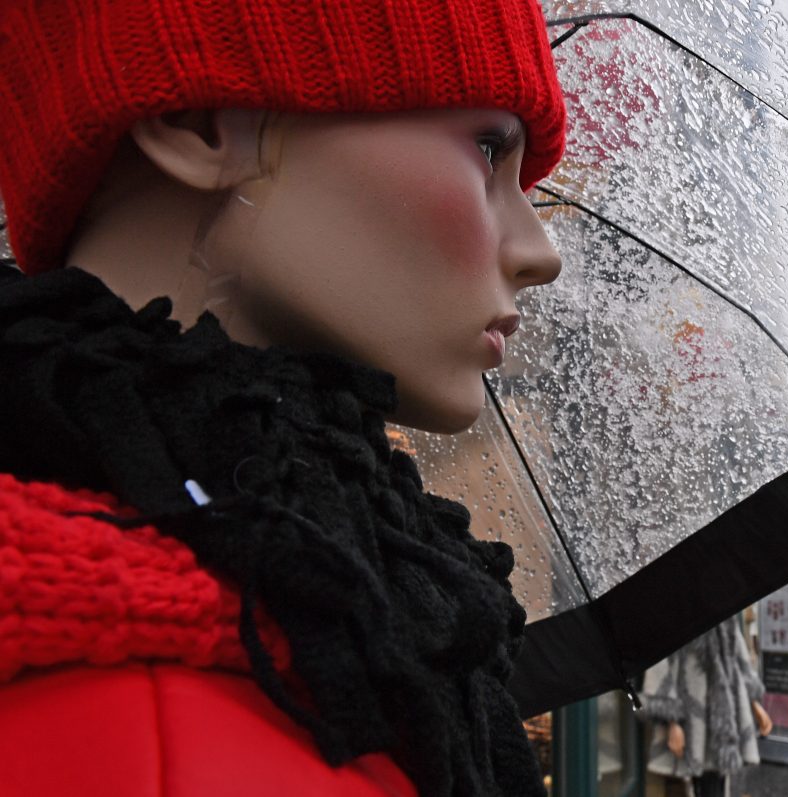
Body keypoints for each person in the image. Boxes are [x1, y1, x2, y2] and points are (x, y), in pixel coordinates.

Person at [0, 1, 565, 795]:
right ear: (195, 120)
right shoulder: (169, 714)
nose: (541, 251)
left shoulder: (361, 623)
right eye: (487, 148)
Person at [640, 616, 773, 797]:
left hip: (726, 717)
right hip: (693, 718)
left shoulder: (723, 611)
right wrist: (671, 721)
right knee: (700, 782)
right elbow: (662, 668)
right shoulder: (676, 614)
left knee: (718, 779)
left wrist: (755, 703)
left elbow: (739, 659)